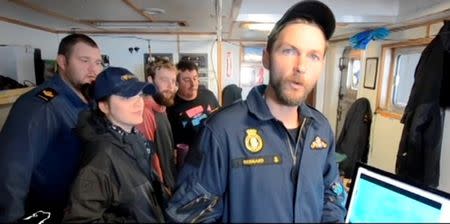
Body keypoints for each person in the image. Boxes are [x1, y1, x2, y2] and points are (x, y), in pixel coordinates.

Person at [166, 1, 347, 222]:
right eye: (289, 51)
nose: (301, 66)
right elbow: (187, 215)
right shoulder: (223, 131)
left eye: (313, 56)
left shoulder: (321, 129)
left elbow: (332, 196)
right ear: (267, 57)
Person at [0, 33, 103, 223]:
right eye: (84, 60)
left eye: (98, 62)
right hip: (47, 212)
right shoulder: (39, 106)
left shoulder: (89, 99)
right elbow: (11, 170)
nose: (93, 69)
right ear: (62, 62)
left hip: (77, 209)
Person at [63, 67, 166, 223]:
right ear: (104, 106)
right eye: (127, 97)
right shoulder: (101, 155)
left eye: (139, 95)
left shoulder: (135, 138)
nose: (139, 103)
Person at [166, 60, 220, 169]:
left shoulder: (208, 95)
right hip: (190, 163)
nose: (193, 84)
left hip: (214, 156)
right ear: (177, 83)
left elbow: (220, 119)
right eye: (186, 80)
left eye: (195, 78)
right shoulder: (170, 106)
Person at [136, 59, 177, 191]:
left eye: (173, 81)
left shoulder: (161, 107)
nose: (170, 86)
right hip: (158, 187)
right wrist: (161, 189)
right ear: (150, 80)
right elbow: (148, 157)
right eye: (164, 80)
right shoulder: (145, 112)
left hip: (168, 181)